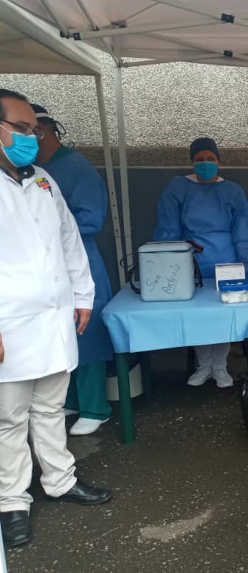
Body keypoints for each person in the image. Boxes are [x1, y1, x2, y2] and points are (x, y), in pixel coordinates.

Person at [0, 89, 111, 549]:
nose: (33, 137)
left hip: (53, 319)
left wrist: (83, 295)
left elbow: (70, 240)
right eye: (23, 128)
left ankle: (60, 479)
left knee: (50, 407)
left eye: (35, 129)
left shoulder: (44, 180)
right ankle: (12, 501)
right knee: (8, 418)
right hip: (9, 325)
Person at [154, 137, 248, 389]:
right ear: (191, 162)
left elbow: (243, 230)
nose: (205, 163)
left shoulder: (232, 191)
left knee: (223, 314)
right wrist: (169, 262)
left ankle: (220, 366)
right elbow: (168, 228)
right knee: (197, 315)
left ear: (218, 161)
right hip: (190, 261)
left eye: (210, 159)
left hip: (227, 260)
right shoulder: (178, 188)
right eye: (199, 159)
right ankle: (203, 366)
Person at [33, 103, 114, 436]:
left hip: (80, 261)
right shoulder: (33, 171)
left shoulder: (76, 168)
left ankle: (96, 408)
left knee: (86, 333)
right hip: (46, 266)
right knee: (59, 335)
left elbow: (90, 219)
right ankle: (71, 400)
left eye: (30, 132)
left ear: (45, 132)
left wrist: (45, 232)